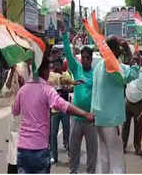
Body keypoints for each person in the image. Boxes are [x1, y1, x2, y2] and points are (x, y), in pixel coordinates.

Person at [12, 55, 94, 174]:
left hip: (22, 149)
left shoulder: (23, 90)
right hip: (39, 149)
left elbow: (15, 111)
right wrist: (86, 114)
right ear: (44, 70)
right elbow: (64, 105)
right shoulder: (47, 89)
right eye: (48, 69)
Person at [91, 35, 140, 173]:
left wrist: (92, 114)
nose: (121, 49)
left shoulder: (99, 66)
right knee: (116, 158)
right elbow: (132, 75)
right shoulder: (113, 66)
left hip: (99, 119)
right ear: (114, 49)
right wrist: (129, 52)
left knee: (103, 157)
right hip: (111, 121)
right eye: (119, 46)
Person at [62, 28, 98, 174]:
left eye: (87, 58)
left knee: (92, 152)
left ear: (91, 59)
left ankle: (91, 172)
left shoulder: (96, 74)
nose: (84, 59)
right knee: (74, 149)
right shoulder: (76, 69)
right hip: (76, 119)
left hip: (90, 119)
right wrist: (65, 36)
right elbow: (68, 53)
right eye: (82, 57)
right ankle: (73, 171)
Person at [3, 60, 32, 174]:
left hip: (31, 118)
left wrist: (30, 70)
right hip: (17, 119)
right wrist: (11, 72)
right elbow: (5, 92)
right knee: (14, 156)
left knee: (28, 155)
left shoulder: (34, 69)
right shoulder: (15, 68)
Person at [122, 51, 142, 156]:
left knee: (138, 128)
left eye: (137, 60)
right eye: (134, 59)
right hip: (127, 102)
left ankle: (137, 147)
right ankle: (123, 145)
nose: (135, 62)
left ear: (141, 61)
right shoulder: (128, 70)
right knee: (125, 126)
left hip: (138, 104)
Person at [49, 57, 73, 164]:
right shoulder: (49, 75)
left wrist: (66, 88)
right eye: (54, 64)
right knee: (53, 134)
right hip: (54, 110)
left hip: (65, 109)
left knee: (67, 132)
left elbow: (71, 88)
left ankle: (69, 153)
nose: (56, 66)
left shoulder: (66, 75)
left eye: (58, 64)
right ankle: (53, 155)